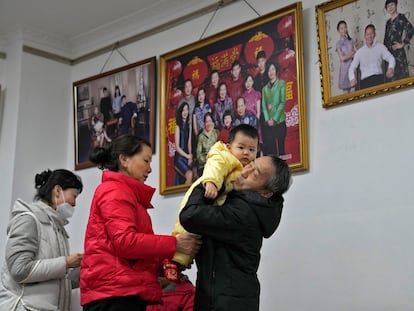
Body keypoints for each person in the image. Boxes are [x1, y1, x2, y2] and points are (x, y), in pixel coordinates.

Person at [80, 134, 201, 311]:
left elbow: (133, 253)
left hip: (121, 293)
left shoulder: (126, 194)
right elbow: (125, 242)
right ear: (124, 160)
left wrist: (167, 264)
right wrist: (175, 244)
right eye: (146, 161)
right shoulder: (114, 191)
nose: (150, 169)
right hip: (113, 296)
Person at [179, 155, 292, 311]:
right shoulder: (241, 203)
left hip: (227, 302)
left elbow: (190, 216)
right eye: (250, 164)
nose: (245, 171)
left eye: (255, 173)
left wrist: (208, 180)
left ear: (266, 193)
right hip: (227, 297)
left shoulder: (243, 213)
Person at [165, 125, 259, 282]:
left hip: (215, 200)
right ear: (229, 147)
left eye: (252, 150)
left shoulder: (245, 167)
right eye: (241, 147)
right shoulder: (224, 156)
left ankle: (181, 263)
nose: (246, 153)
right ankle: (173, 260)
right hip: (205, 189)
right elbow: (214, 167)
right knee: (186, 230)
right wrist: (211, 183)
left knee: (198, 238)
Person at [0, 169, 83, 311]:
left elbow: (53, 278)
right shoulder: (28, 219)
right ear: (57, 191)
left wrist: (83, 269)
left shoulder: (57, 228)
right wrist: (66, 262)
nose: (74, 204)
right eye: (73, 196)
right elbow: (19, 270)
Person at [349, 24, 396, 89]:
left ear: (375, 34)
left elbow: (391, 58)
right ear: (365, 36)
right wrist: (352, 79)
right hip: (365, 82)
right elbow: (352, 67)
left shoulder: (381, 47)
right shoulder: (360, 52)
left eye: (371, 33)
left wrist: (391, 68)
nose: (369, 36)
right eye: (367, 34)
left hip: (379, 79)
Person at [384, 0, 414, 81]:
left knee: (401, 78)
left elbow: (410, 29)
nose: (390, 7)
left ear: (396, 5)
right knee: (391, 79)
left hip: (399, 54)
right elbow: (385, 39)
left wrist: (403, 43)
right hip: (389, 54)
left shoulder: (401, 17)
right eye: (388, 6)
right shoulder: (388, 23)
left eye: (392, 5)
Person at [261, 62, 287, 157]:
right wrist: (268, 119)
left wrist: (274, 119)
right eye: (269, 70)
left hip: (279, 121)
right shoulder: (264, 89)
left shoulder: (281, 83)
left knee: (281, 148)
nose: (270, 72)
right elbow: (263, 105)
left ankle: (284, 170)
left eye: (272, 69)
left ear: (276, 70)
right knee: (272, 151)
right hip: (269, 124)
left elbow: (282, 102)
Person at [174, 102, 193, 185]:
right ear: (180, 112)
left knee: (195, 174)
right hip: (179, 157)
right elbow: (177, 147)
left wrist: (190, 156)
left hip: (186, 156)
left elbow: (189, 143)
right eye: (183, 110)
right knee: (190, 174)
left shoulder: (189, 126)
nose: (185, 112)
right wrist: (187, 156)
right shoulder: (177, 127)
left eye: (187, 110)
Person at [336, 20, 356, 93]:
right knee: (346, 94)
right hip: (344, 70)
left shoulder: (351, 41)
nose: (344, 30)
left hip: (352, 67)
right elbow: (342, 58)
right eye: (341, 28)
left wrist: (348, 55)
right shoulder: (338, 44)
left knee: (355, 92)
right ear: (338, 31)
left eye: (345, 27)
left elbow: (356, 55)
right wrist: (352, 53)